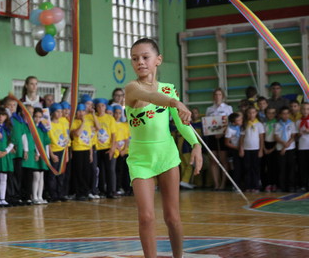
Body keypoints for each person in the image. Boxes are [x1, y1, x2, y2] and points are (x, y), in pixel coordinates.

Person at [124, 38, 202, 258]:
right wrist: (174, 102)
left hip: (167, 157)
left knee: (172, 217)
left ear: (158, 60)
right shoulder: (132, 88)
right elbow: (150, 97)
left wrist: (196, 144)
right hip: (141, 161)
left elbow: (181, 122)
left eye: (145, 57)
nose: (140, 62)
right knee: (146, 217)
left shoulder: (169, 89)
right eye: (135, 58)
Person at [205, 88, 233, 191]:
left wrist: (222, 133)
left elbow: (230, 122)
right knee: (213, 160)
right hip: (212, 136)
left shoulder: (228, 108)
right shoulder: (209, 109)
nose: (217, 96)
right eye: (216, 94)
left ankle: (223, 183)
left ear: (223, 96)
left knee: (223, 160)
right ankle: (216, 183)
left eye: (219, 94)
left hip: (223, 136)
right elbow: (207, 123)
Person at [93, 98, 118, 198]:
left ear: (105, 107)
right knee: (101, 171)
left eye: (102, 106)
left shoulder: (110, 118)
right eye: (98, 106)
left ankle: (112, 191)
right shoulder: (94, 118)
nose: (101, 108)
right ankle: (102, 190)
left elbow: (114, 135)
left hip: (108, 147)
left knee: (110, 170)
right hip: (98, 148)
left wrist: (112, 148)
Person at [69, 103, 94, 201]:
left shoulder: (88, 122)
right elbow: (77, 134)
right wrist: (82, 123)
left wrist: (91, 153)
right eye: (79, 111)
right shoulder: (73, 122)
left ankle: (86, 191)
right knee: (78, 172)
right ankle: (78, 192)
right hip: (78, 149)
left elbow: (89, 138)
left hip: (86, 150)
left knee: (86, 172)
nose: (81, 113)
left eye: (83, 111)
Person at [46, 103, 69, 202]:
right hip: (54, 152)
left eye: (61, 111)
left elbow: (65, 139)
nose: (60, 114)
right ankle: (53, 194)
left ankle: (61, 193)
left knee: (61, 174)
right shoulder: (49, 125)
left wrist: (66, 153)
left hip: (62, 151)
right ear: (52, 112)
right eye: (58, 111)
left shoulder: (62, 123)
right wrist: (51, 154)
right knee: (52, 174)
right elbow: (48, 142)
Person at [239, 107, 264, 192]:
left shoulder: (259, 124)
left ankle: (256, 186)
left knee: (255, 168)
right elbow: (242, 138)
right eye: (249, 113)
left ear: (256, 113)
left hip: (256, 149)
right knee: (247, 167)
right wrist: (241, 149)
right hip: (247, 149)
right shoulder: (244, 124)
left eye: (253, 112)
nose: (251, 114)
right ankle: (248, 186)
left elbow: (261, 138)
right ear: (247, 114)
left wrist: (261, 150)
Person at [274, 106, 298, 192]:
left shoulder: (292, 124)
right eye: (283, 114)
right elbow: (276, 137)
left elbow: (293, 136)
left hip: (290, 148)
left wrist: (286, 145)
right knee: (281, 168)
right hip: (280, 148)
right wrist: (283, 144)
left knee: (291, 167)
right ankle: (282, 186)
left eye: (287, 113)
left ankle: (291, 185)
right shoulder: (277, 124)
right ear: (280, 115)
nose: (285, 115)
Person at [31, 107, 50, 204]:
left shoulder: (43, 129)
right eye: (35, 117)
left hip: (42, 156)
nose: (37, 119)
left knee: (41, 176)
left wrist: (47, 156)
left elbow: (46, 143)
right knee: (36, 176)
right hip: (35, 155)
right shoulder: (32, 128)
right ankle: (34, 196)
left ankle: (40, 196)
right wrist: (37, 153)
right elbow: (34, 142)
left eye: (39, 117)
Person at [224, 112, 243, 189]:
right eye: (238, 120)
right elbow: (227, 143)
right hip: (235, 150)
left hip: (244, 148)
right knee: (237, 167)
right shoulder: (229, 129)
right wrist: (238, 148)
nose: (241, 121)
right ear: (234, 122)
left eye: (241, 119)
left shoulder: (242, 127)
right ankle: (235, 184)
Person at [261, 107, 278, 192]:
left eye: (273, 113)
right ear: (265, 114)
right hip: (265, 145)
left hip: (275, 145)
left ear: (275, 114)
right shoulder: (264, 124)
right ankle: (267, 184)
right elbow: (262, 137)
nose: (270, 115)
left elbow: (278, 137)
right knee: (266, 166)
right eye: (268, 113)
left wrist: (273, 149)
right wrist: (264, 148)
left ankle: (274, 183)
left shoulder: (277, 123)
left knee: (274, 166)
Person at [297, 102, 309, 191]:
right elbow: (295, 135)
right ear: (301, 110)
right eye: (304, 109)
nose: (305, 111)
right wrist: (299, 134)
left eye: (307, 109)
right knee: (302, 166)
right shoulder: (298, 121)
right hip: (301, 146)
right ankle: (303, 184)